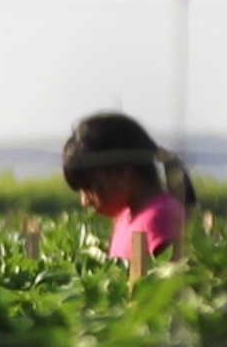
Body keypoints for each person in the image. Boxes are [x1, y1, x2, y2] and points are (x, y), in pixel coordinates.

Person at [61, 111, 191, 265]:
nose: (84, 201)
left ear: (123, 171)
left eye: (89, 187)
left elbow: (171, 277)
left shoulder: (160, 218)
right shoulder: (126, 217)